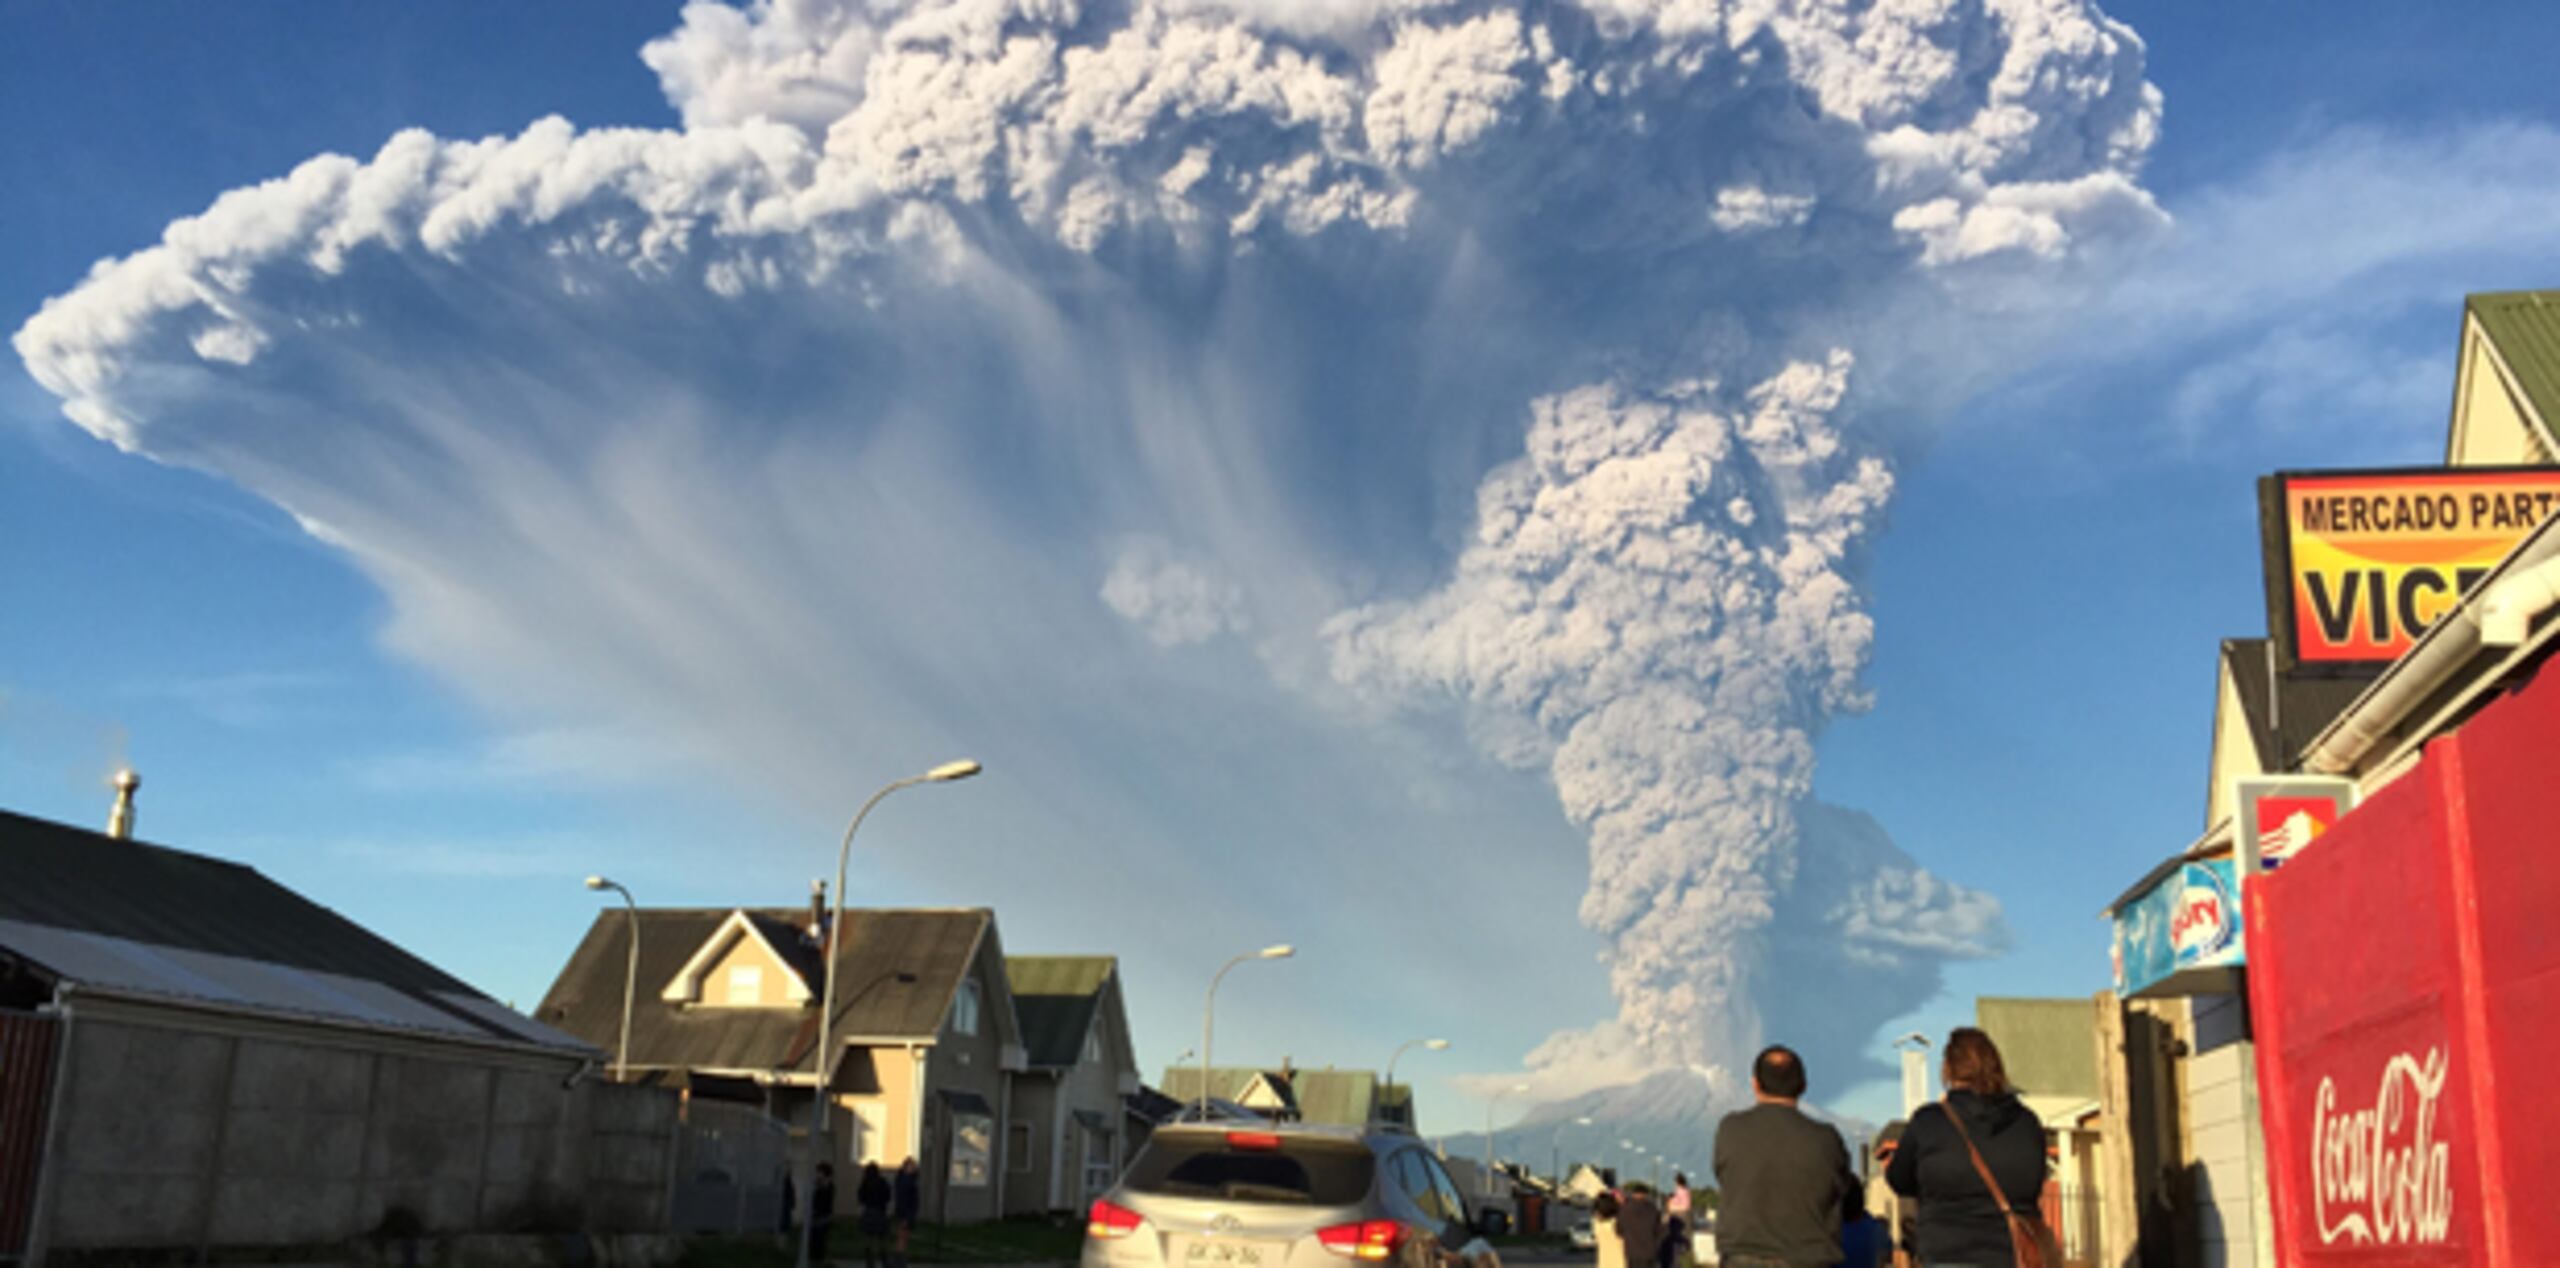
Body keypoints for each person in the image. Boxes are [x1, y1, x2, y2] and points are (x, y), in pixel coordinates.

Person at [1885, 1028, 2047, 1268]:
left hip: (1947, 1250)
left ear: (1948, 1070)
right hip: (2013, 1254)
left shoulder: (1929, 1122)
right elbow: (2035, 1182)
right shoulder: (2027, 1123)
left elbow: (1898, 1179)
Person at [1710, 1045, 1857, 1268]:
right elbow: (1842, 1187)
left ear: (1755, 1084)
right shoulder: (1827, 1138)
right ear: (1803, 1086)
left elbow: (1723, 1174)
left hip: (1743, 1257)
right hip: (1809, 1257)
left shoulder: (1731, 1129)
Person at [856, 1161, 895, 1268]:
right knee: (882, 1240)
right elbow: (888, 1197)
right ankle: (885, 1261)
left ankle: (870, 1263)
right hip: (880, 1213)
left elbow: (860, 1198)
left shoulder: (865, 1183)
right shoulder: (883, 1182)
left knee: (869, 1239)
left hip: (869, 1212)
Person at [1615, 1183, 1663, 1268]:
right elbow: (1659, 1231)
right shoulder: (1653, 1209)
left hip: (1632, 1252)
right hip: (1649, 1252)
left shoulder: (1625, 1209)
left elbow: (1619, 1231)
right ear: (1646, 1194)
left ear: (1633, 1194)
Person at [892, 1156, 923, 1265]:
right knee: (902, 1237)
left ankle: (900, 1257)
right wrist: (905, 1216)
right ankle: (898, 1259)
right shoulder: (906, 1181)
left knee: (903, 1237)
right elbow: (904, 1200)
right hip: (905, 1213)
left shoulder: (905, 1180)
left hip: (906, 1213)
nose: (914, 1168)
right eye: (912, 1166)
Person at [809, 1162, 838, 1263]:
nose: (817, 1174)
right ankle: (815, 1258)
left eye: (819, 1172)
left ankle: (820, 1258)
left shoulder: (828, 1186)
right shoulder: (816, 1185)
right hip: (816, 1215)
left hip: (824, 1216)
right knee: (814, 1237)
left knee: (821, 1238)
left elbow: (826, 1200)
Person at [1663, 1174, 1693, 1268]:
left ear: (1677, 1182)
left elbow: (1684, 1206)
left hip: (1677, 1220)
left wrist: (1671, 1206)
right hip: (1679, 1221)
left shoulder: (1681, 1192)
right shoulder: (1686, 1192)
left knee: (1674, 1249)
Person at [1592, 1192, 1627, 1268]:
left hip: (1604, 1264)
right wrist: (1621, 1202)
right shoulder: (1618, 1222)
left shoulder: (1596, 1224)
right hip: (1620, 1263)